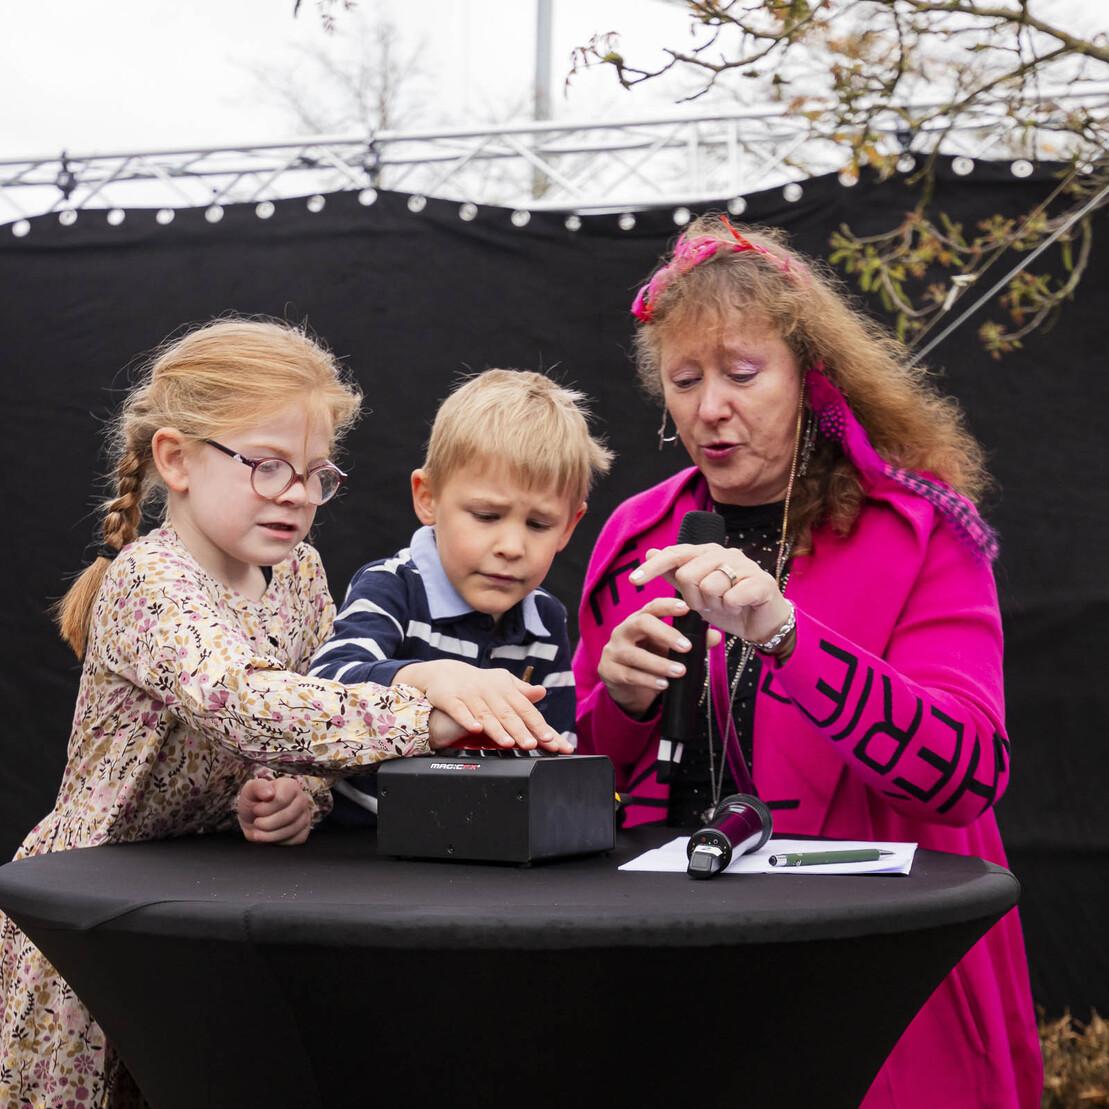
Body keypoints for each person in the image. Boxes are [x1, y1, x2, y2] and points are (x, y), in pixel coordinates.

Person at [0, 319, 558, 1108]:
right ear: (176, 459)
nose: (296, 494)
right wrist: (424, 709)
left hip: (196, 903)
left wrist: (301, 796)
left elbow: (305, 719)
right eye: (266, 466)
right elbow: (243, 702)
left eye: (316, 473)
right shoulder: (151, 582)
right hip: (96, 916)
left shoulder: (296, 572)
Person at [573, 217, 1042, 1107]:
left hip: (873, 981)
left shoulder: (923, 531)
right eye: (684, 380)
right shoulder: (633, 532)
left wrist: (787, 634)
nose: (710, 406)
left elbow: (966, 772)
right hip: (674, 972)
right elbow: (582, 779)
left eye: (742, 374)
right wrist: (617, 704)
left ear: (808, 378)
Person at [310, 368, 612, 824]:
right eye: (487, 516)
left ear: (570, 525)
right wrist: (430, 677)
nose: (511, 546)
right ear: (427, 497)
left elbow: (554, 747)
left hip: (484, 837)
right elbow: (325, 685)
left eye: (538, 524)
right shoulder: (392, 586)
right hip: (363, 840)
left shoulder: (546, 620)